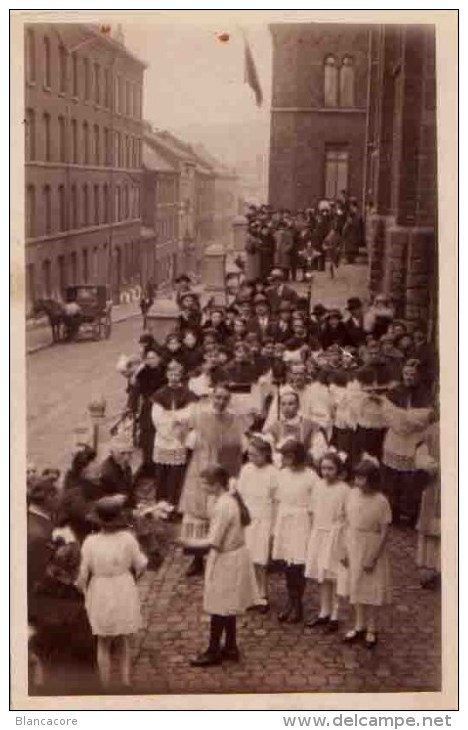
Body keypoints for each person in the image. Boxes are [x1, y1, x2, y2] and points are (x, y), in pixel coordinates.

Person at [181, 465, 258, 667]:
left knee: (219, 607)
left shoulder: (224, 506)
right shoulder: (227, 499)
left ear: (216, 485)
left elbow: (213, 542)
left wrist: (186, 543)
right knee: (227, 605)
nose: (203, 487)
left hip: (228, 560)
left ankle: (213, 650)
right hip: (233, 557)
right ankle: (231, 647)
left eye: (205, 484)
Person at [77, 495, 148, 689]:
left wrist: (83, 591)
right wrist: (132, 578)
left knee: (103, 641)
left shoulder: (90, 542)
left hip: (100, 589)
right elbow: (142, 564)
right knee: (124, 639)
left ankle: (105, 684)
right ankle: (125, 681)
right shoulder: (127, 538)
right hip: (123, 586)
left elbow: (82, 573)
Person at [179, 384, 247, 576]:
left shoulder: (234, 420)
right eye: (218, 397)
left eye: (225, 398)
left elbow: (239, 447)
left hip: (223, 469)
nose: (221, 402)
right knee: (198, 512)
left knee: (220, 510)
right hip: (201, 467)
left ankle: (219, 554)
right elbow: (184, 436)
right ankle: (197, 558)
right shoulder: (200, 416)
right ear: (211, 397)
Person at [29, 542, 97, 693]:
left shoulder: (38, 590)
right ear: (75, 570)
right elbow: (85, 645)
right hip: (73, 671)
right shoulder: (75, 599)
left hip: (46, 666)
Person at [339, 457, 392, 649]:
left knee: (371, 587)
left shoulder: (381, 501)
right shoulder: (352, 495)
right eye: (357, 478)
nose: (358, 482)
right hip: (354, 544)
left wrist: (373, 557)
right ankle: (359, 625)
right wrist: (345, 549)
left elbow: (385, 532)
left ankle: (372, 627)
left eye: (363, 479)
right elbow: (347, 523)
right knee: (355, 586)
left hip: (371, 546)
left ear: (372, 480)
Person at [382, 359, 433, 524]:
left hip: (415, 442)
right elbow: (393, 420)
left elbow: (427, 417)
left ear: (419, 376)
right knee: (393, 479)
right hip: (395, 441)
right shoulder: (393, 392)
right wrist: (410, 417)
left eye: (413, 374)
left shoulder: (426, 394)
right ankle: (393, 513)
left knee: (413, 480)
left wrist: (404, 416)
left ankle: (412, 515)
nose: (409, 377)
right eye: (406, 374)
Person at [272, 440, 318, 623]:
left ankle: (298, 604)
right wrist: (275, 527)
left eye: (289, 456)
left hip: (302, 522)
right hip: (285, 520)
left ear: (298, 456)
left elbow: (315, 505)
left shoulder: (311, 476)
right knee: (288, 566)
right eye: (284, 456)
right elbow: (277, 501)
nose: (285, 459)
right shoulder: (282, 474)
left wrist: (313, 528)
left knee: (298, 565)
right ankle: (291, 602)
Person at [305, 451, 349, 632]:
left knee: (335, 577)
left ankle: (335, 615)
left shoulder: (345, 490)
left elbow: (348, 518)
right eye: (323, 468)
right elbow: (313, 511)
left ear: (338, 470)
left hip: (337, 536)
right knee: (322, 577)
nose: (326, 472)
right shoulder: (318, 486)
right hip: (320, 533)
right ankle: (324, 611)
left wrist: (345, 545)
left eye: (331, 468)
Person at [236, 436, 279, 612]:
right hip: (248, 518)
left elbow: (276, 500)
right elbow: (240, 494)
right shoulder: (246, 470)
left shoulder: (273, 472)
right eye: (250, 455)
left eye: (256, 455)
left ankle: (263, 594)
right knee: (248, 557)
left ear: (265, 454)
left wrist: (274, 527)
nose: (252, 459)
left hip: (264, 518)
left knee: (260, 559)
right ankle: (250, 594)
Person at [152, 361, 198, 508]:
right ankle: (160, 502)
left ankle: (173, 503)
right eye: (171, 374)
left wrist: (176, 416)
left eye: (177, 374)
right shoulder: (160, 394)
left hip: (179, 437)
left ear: (181, 376)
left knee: (176, 474)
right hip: (163, 437)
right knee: (161, 473)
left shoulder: (187, 394)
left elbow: (190, 414)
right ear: (166, 375)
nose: (174, 377)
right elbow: (156, 416)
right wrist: (170, 421)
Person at [415, 420, 440, 589]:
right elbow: (421, 456)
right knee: (433, 530)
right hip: (437, 485)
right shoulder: (435, 429)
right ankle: (431, 571)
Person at [133, 348, 166, 472]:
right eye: (148, 358)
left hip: (163, 405)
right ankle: (149, 463)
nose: (151, 361)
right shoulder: (142, 374)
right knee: (148, 433)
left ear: (159, 358)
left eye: (153, 358)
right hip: (149, 405)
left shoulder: (165, 371)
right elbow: (138, 391)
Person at [27, 477, 59, 602]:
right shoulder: (40, 534)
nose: (59, 500)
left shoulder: (34, 519)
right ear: (48, 498)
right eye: (56, 496)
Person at [99, 436, 135, 507]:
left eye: (130, 453)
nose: (127, 458)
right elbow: (100, 500)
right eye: (122, 453)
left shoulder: (126, 468)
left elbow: (128, 494)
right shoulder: (106, 471)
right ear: (112, 452)